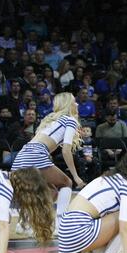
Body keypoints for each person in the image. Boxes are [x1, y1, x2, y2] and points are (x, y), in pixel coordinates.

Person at [11, 92, 85, 231]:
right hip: (36, 154)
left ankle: (25, 222)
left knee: (52, 192)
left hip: (22, 155)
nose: (77, 104)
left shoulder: (50, 120)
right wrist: (76, 177)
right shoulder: (70, 120)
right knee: (66, 182)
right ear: (68, 105)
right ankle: (60, 224)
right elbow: (66, 150)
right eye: (74, 102)